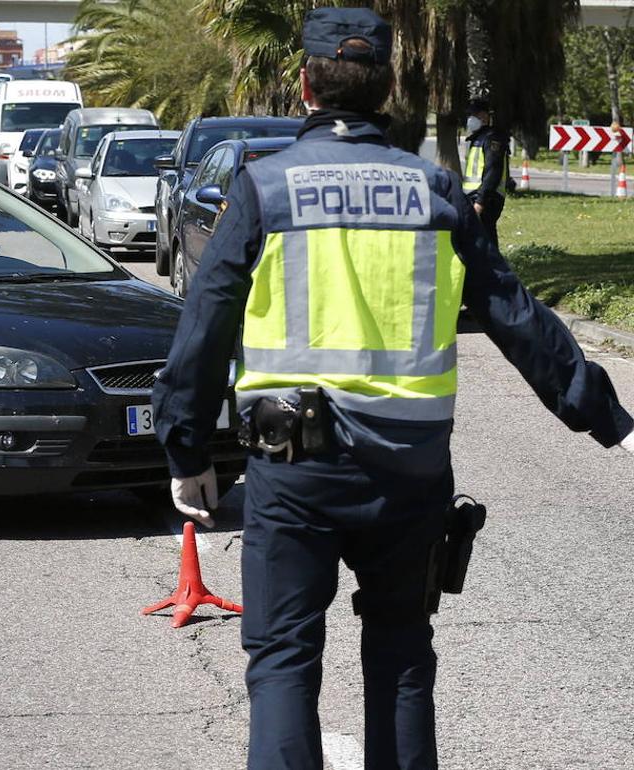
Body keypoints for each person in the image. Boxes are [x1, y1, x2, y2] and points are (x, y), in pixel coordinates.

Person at [150, 8, 634, 769]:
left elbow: (204, 327)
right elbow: (514, 315)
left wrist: (186, 450)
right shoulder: (436, 193)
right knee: (402, 651)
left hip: (294, 468)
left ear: (304, 84)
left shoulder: (265, 188)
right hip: (410, 469)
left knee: (282, 655)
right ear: (386, 88)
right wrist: (608, 416)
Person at [463, 97, 511, 248]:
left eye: (474, 115)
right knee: (478, 242)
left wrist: (480, 202)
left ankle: (495, 271)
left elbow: (493, 171)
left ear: (484, 116)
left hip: (487, 199)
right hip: (475, 197)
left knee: (486, 243)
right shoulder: (478, 138)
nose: (470, 119)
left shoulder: (492, 139)